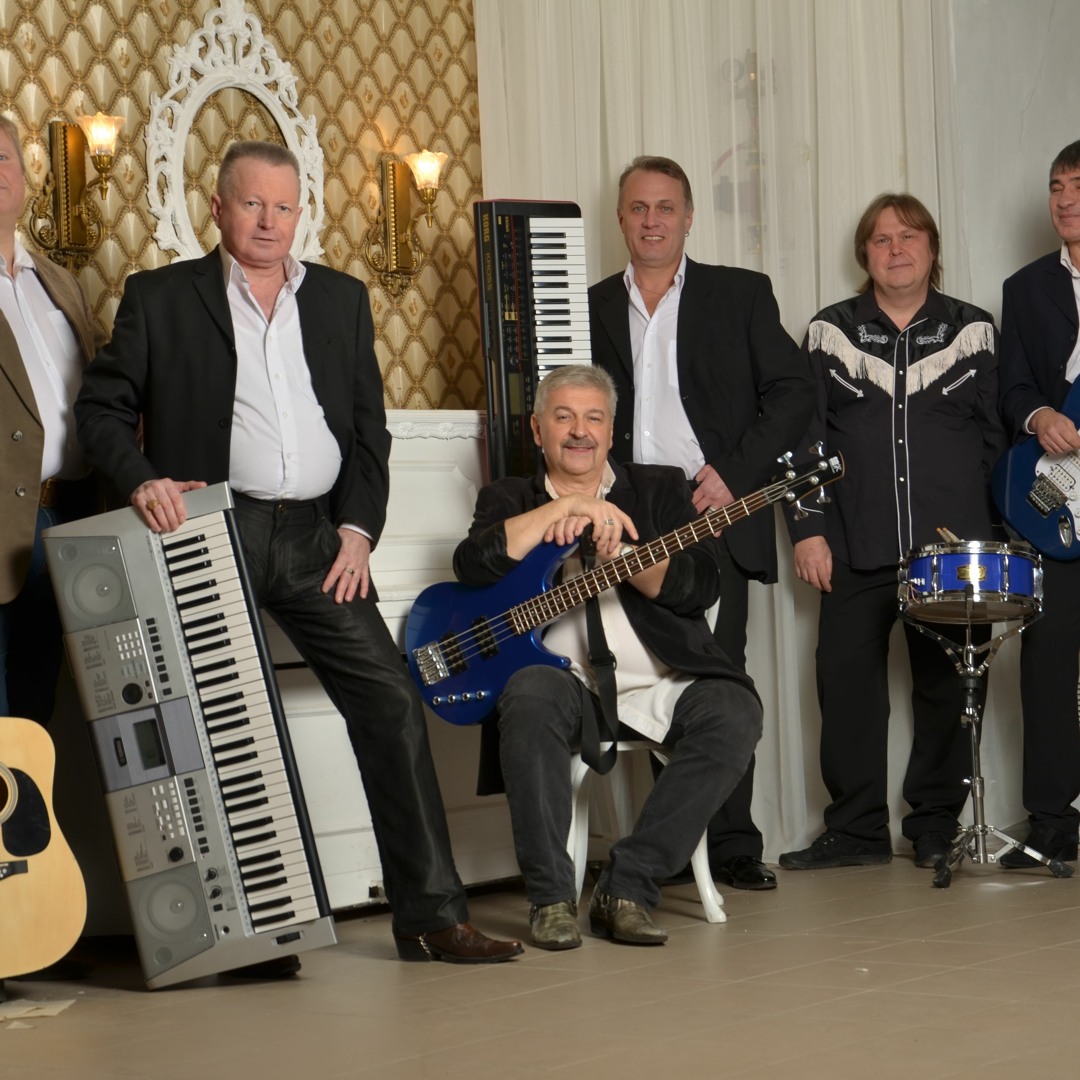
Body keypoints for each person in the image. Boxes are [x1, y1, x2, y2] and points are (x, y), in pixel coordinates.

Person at [74, 140, 522, 970]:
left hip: (321, 539)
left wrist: (358, 531)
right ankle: (251, 935)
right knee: (221, 720)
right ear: (218, 208)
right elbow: (100, 411)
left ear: (300, 213)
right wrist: (142, 481)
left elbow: (369, 434)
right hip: (213, 530)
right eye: (252, 204)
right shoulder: (161, 298)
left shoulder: (341, 299)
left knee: (390, 702)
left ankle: (431, 917)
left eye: (283, 206)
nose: (268, 221)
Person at [453, 363, 762, 950]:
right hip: (566, 682)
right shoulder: (509, 498)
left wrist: (625, 553)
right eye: (563, 417)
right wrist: (558, 512)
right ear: (537, 429)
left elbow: (701, 587)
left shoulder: (660, 488)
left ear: (611, 430)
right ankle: (551, 899)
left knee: (735, 712)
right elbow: (472, 566)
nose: (580, 431)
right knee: (528, 695)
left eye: (593, 418)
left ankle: (627, 887)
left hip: (663, 677)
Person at [589, 155, 813, 891]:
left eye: (665, 207)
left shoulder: (740, 294)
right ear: (621, 219)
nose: (651, 220)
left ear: (688, 217)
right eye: (638, 208)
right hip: (622, 510)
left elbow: (794, 391)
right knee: (645, 666)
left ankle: (734, 845)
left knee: (720, 671)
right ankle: (671, 846)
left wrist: (738, 471)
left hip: (710, 503)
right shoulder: (588, 306)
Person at [779, 193, 1006, 872]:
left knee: (949, 689)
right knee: (845, 685)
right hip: (854, 541)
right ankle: (855, 830)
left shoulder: (974, 330)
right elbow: (804, 439)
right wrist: (807, 530)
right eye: (881, 240)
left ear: (932, 249)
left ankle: (935, 826)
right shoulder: (830, 332)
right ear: (865, 254)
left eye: (909, 237)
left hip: (954, 551)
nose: (896, 250)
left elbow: (997, 443)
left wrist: (1003, 541)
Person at [996, 140, 1080, 867]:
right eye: (1056, 186)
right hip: (1057, 502)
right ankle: (1052, 820)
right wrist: (1038, 416)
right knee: (1048, 659)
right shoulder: (1024, 288)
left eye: (1078, 186)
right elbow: (1012, 385)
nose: (1064, 200)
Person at [0, 117, 98, 726]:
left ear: (25, 175)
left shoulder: (61, 282)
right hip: (1, 523)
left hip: (71, 519)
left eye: (1, 158)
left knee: (38, 711)